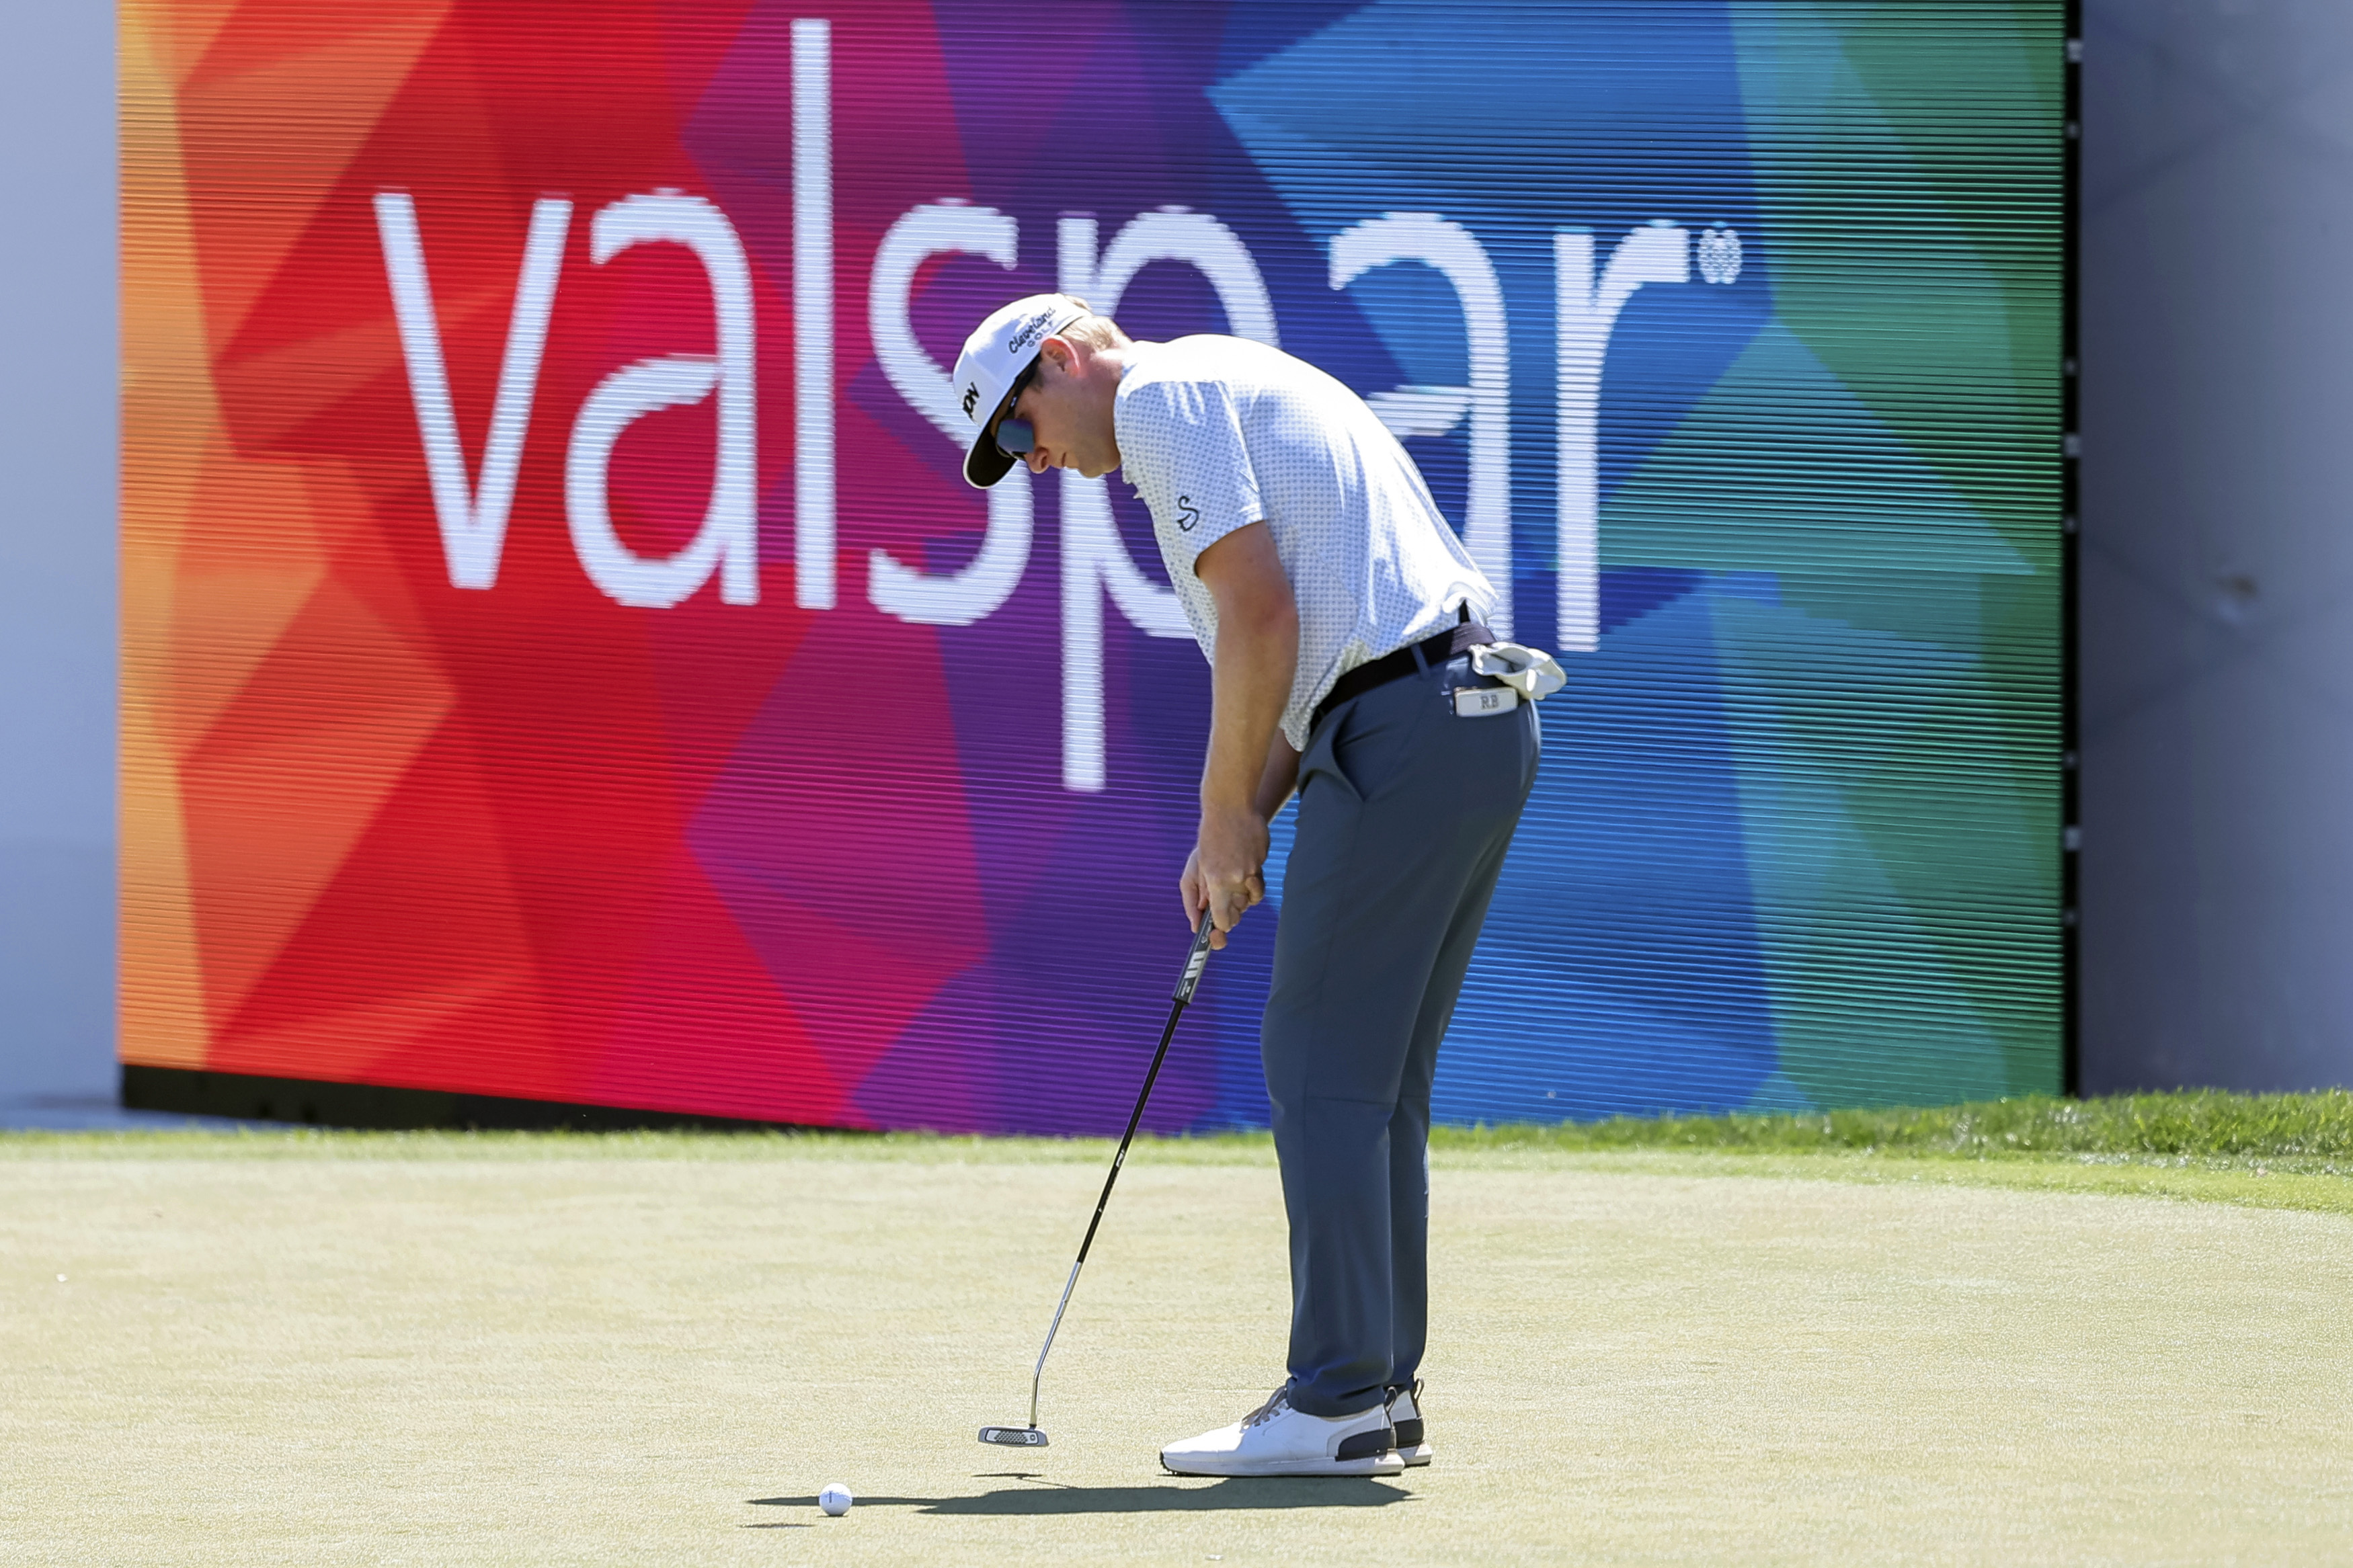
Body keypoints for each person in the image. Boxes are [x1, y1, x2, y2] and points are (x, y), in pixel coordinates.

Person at [953, 294, 1545, 1477]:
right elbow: (1302, 647)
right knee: (1374, 1078)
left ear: (1059, 360)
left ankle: (1333, 1396)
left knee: (1320, 1061)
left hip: (1403, 726)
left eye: (1023, 433)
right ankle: (1377, 1391)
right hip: (1472, 719)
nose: (1041, 464)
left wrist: (1226, 817)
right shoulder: (1222, 380)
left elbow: (1262, 619)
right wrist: (1240, 821)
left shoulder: (1162, 397)